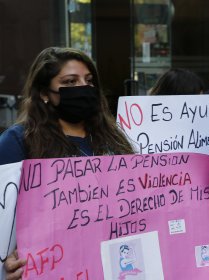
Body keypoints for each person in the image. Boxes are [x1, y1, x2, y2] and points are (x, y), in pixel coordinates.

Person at [1, 46, 134, 279]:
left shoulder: (113, 137)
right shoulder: (18, 141)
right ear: (44, 92)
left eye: (89, 81)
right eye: (70, 82)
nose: (83, 87)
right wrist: (6, 257)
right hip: (56, 268)